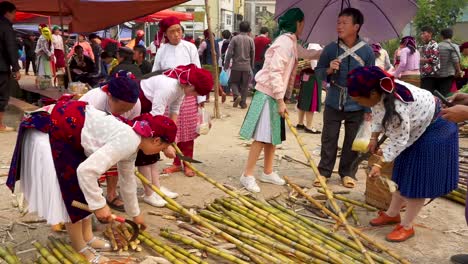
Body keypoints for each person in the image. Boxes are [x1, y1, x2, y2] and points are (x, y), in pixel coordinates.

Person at [6, 89, 176, 263]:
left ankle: (87, 237)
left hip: (67, 130)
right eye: (162, 149)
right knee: (74, 192)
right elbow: (85, 171)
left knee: (87, 190)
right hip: (51, 130)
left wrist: (135, 213)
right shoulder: (130, 139)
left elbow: (127, 181)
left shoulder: (135, 141)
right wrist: (99, 205)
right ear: (156, 141)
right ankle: (80, 247)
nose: (159, 153)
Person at [347, 66, 458, 242]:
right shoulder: (381, 91)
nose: (358, 103)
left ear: (373, 93)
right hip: (416, 128)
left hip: (436, 128)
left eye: (359, 100)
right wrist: (374, 137)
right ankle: (392, 214)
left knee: (416, 181)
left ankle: (407, 226)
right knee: (402, 173)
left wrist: (378, 164)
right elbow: (377, 114)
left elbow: (399, 141)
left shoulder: (397, 107)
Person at [238, 8, 321, 193]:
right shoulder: (284, 43)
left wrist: (327, 52)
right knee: (261, 137)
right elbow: (275, 72)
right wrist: (280, 100)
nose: (304, 27)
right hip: (268, 94)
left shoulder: (291, 42)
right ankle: (247, 175)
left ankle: (267, 171)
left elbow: (306, 54)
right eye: (303, 23)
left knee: (272, 137)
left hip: (275, 95)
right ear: (298, 23)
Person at [315, 7, 375, 188]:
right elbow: (318, 73)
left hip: (357, 103)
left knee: (352, 141)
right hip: (334, 100)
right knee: (329, 138)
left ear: (356, 26)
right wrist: (328, 69)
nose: (339, 26)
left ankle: (348, 173)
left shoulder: (367, 51)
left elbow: (371, 82)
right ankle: (324, 172)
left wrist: (368, 109)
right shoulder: (331, 49)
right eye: (338, 22)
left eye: (344, 23)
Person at [138, 64, 213, 206]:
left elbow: (174, 110)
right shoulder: (169, 87)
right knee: (146, 152)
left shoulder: (181, 87)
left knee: (153, 155)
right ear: (190, 85)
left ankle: (156, 188)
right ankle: (149, 193)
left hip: (152, 113)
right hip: (142, 106)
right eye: (196, 93)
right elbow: (156, 118)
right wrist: (165, 145)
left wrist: (171, 136)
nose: (195, 96)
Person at [79, 71, 142, 212]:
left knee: (117, 158)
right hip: (85, 131)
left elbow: (131, 128)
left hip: (112, 132)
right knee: (89, 166)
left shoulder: (136, 104)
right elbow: (86, 130)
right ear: (110, 97)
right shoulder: (95, 100)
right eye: (122, 107)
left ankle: (111, 194)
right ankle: (92, 200)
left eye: (129, 108)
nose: (125, 111)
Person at [150, 16, 205, 178]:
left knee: (187, 131)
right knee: (171, 131)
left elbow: (198, 71)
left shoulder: (190, 47)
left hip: (187, 95)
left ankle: (187, 163)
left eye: (178, 30)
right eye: (172, 32)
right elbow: (155, 72)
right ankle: (176, 163)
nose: (176, 34)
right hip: (167, 95)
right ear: (165, 34)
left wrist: (200, 99)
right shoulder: (161, 50)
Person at [224, 21, 255, 109]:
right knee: (245, 85)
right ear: (248, 29)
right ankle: (243, 103)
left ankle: (237, 95)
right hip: (246, 66)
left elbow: (229, 53)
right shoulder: (250, 40)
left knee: (233, 82)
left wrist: (226, 65)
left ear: (239, 28)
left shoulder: (234, 39)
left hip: (236, 66)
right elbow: (253, 53)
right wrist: (251, 66)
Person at [0, 1, 20, 132]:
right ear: (8, 12)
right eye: (14, 13)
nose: (14, 16)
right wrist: (16, 68)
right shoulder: (5, 26)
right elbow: (10, 47)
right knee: (1, 95)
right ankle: (0, 125)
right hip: (1, 67)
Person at [435, 28, 461, 96]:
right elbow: (455, 60)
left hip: (436, 74)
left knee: (438, 93)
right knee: (445, 94)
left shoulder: (436, 46)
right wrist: (458, 71)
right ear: (452, 36)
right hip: (448, 74)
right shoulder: (453, 46)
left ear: (442, 36)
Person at [420, 26, 440, 94]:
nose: (422, 36)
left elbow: (434, 59)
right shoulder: (424, 45)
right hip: (424, 74)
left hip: (431, 75)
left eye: (423, 33)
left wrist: (421, 60)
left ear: (430, 34)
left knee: (428, 94)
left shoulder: (434, 44)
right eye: (421, 34)